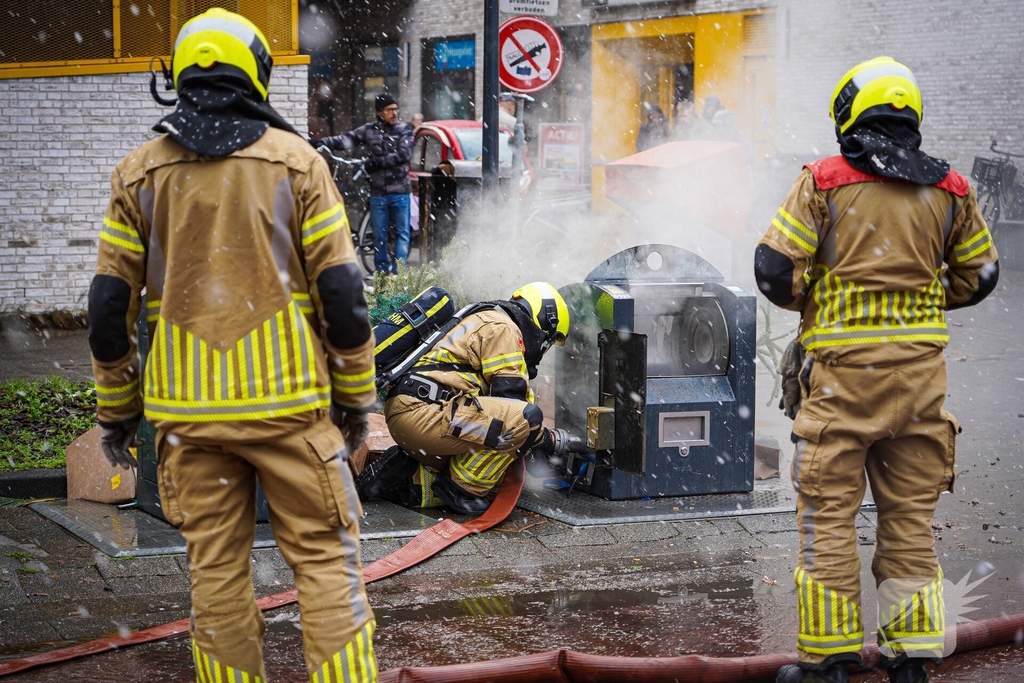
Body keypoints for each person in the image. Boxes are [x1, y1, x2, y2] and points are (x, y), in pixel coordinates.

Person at [87, 9, 378, 682]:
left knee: (216, 579)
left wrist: (117, 412)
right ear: (258, 74)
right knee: (329, 569)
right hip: (293, 414)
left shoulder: (138, 175)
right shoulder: (298, 164)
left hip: (189, 425)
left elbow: (107, 310)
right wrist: (357, 398)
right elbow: (343, 297)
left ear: (180, 77)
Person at [754, 57, 999, 683]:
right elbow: (982, 275)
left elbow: (775, 272)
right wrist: (920, 299)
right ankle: (911, 661)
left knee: (828, 521)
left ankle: (829, 664)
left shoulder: (823, 180)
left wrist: (820, 298)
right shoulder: (952, 189)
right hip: (919, 386)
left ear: (849, 113)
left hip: (842, 384)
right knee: (910, 522)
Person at [356, 282, 570, 515]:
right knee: (524, 421)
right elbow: (513, 400)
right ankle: (460, 491)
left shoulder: (481, 318)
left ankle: (408, 477)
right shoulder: (502, 327)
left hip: (417, 414)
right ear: (546, 320)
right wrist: (546, 441)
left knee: (498, 475)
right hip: (427, 413)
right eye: (548, 340)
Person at [315, 93, 413, 275]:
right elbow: (346, 140)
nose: (394, 113)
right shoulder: (369, 131)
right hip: (378, 193)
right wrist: (321, 142)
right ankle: (382, 275)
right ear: (379, 112)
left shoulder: (404, 130)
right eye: (389, 110)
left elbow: (404, 155)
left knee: (402, 234)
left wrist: (375, 163)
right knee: (379, 236)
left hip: (400, 191)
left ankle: (399, 276)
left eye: (395, 109)